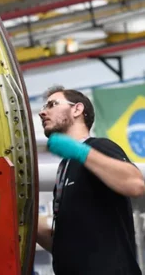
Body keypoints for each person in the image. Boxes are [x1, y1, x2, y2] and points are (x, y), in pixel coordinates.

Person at [37, 86, 145, 275]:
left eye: (52, 104)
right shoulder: (65, 167)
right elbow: (66, 246)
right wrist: (28, 222)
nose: (42, 112)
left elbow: (135, 184)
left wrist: (81, 152)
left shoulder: (99, 147)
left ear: (77, 109)